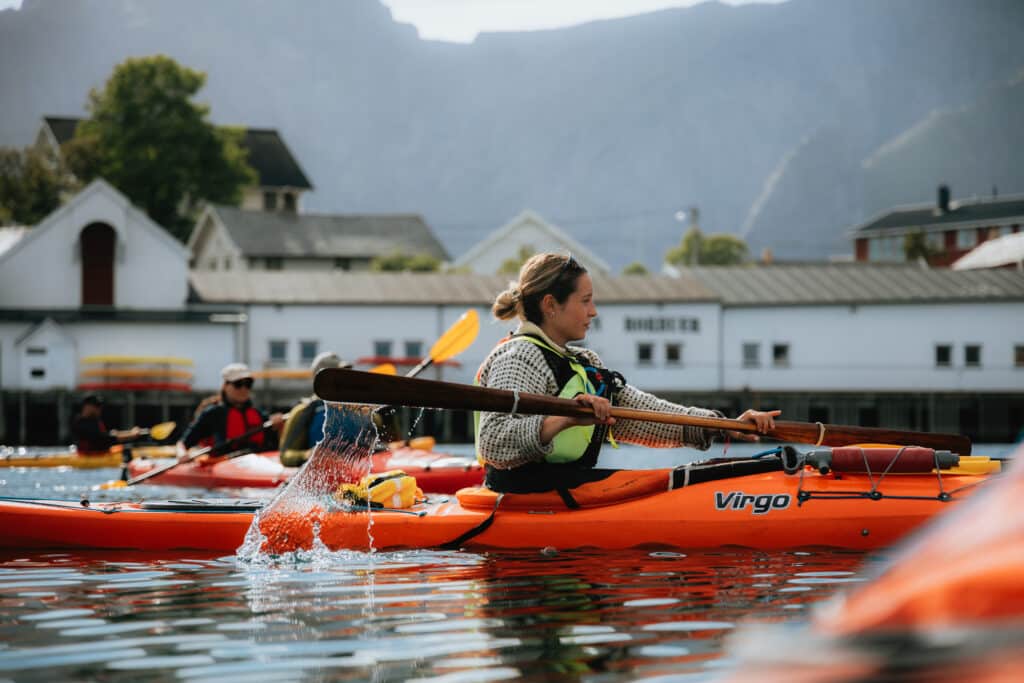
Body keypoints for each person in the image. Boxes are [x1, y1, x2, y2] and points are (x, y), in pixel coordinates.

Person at [476, 252, 780, 493]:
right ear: (550, 305)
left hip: (569, 493)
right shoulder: (519, 356)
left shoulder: (584, 363)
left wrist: (724, 425)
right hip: (520, 500)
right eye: (585, 301)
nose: (593, 311)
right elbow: (493, 444)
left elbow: (648, 416)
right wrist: (566, 419)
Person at [176, 362, 284, 460]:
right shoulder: (213, 413)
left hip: (258, 461)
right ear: (225, 386)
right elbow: (183, 443)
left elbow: (277, 445)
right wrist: (182, 454)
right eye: (238, 384)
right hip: (224, 462)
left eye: (248, 384)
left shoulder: (259, 414)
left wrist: (279, 426)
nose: (243, 389)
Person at [279, 351, 368, 467]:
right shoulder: (303, 412)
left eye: (345, 374)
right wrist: (309, 455)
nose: (344, 379)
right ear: (321, 379)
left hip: (357, 467)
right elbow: (285, 455)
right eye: (338, 375)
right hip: (321, 471)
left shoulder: (357, 408)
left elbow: (377, 430)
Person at [70, 394, 141, 454]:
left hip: (100, 452)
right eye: (97, 406)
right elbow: (104, 439)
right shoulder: (81, 424)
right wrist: (131, 435)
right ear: (87, 406)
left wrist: (131, 432)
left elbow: (108, 434)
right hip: (89, 455)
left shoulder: (93, 420)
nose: (99, 409)